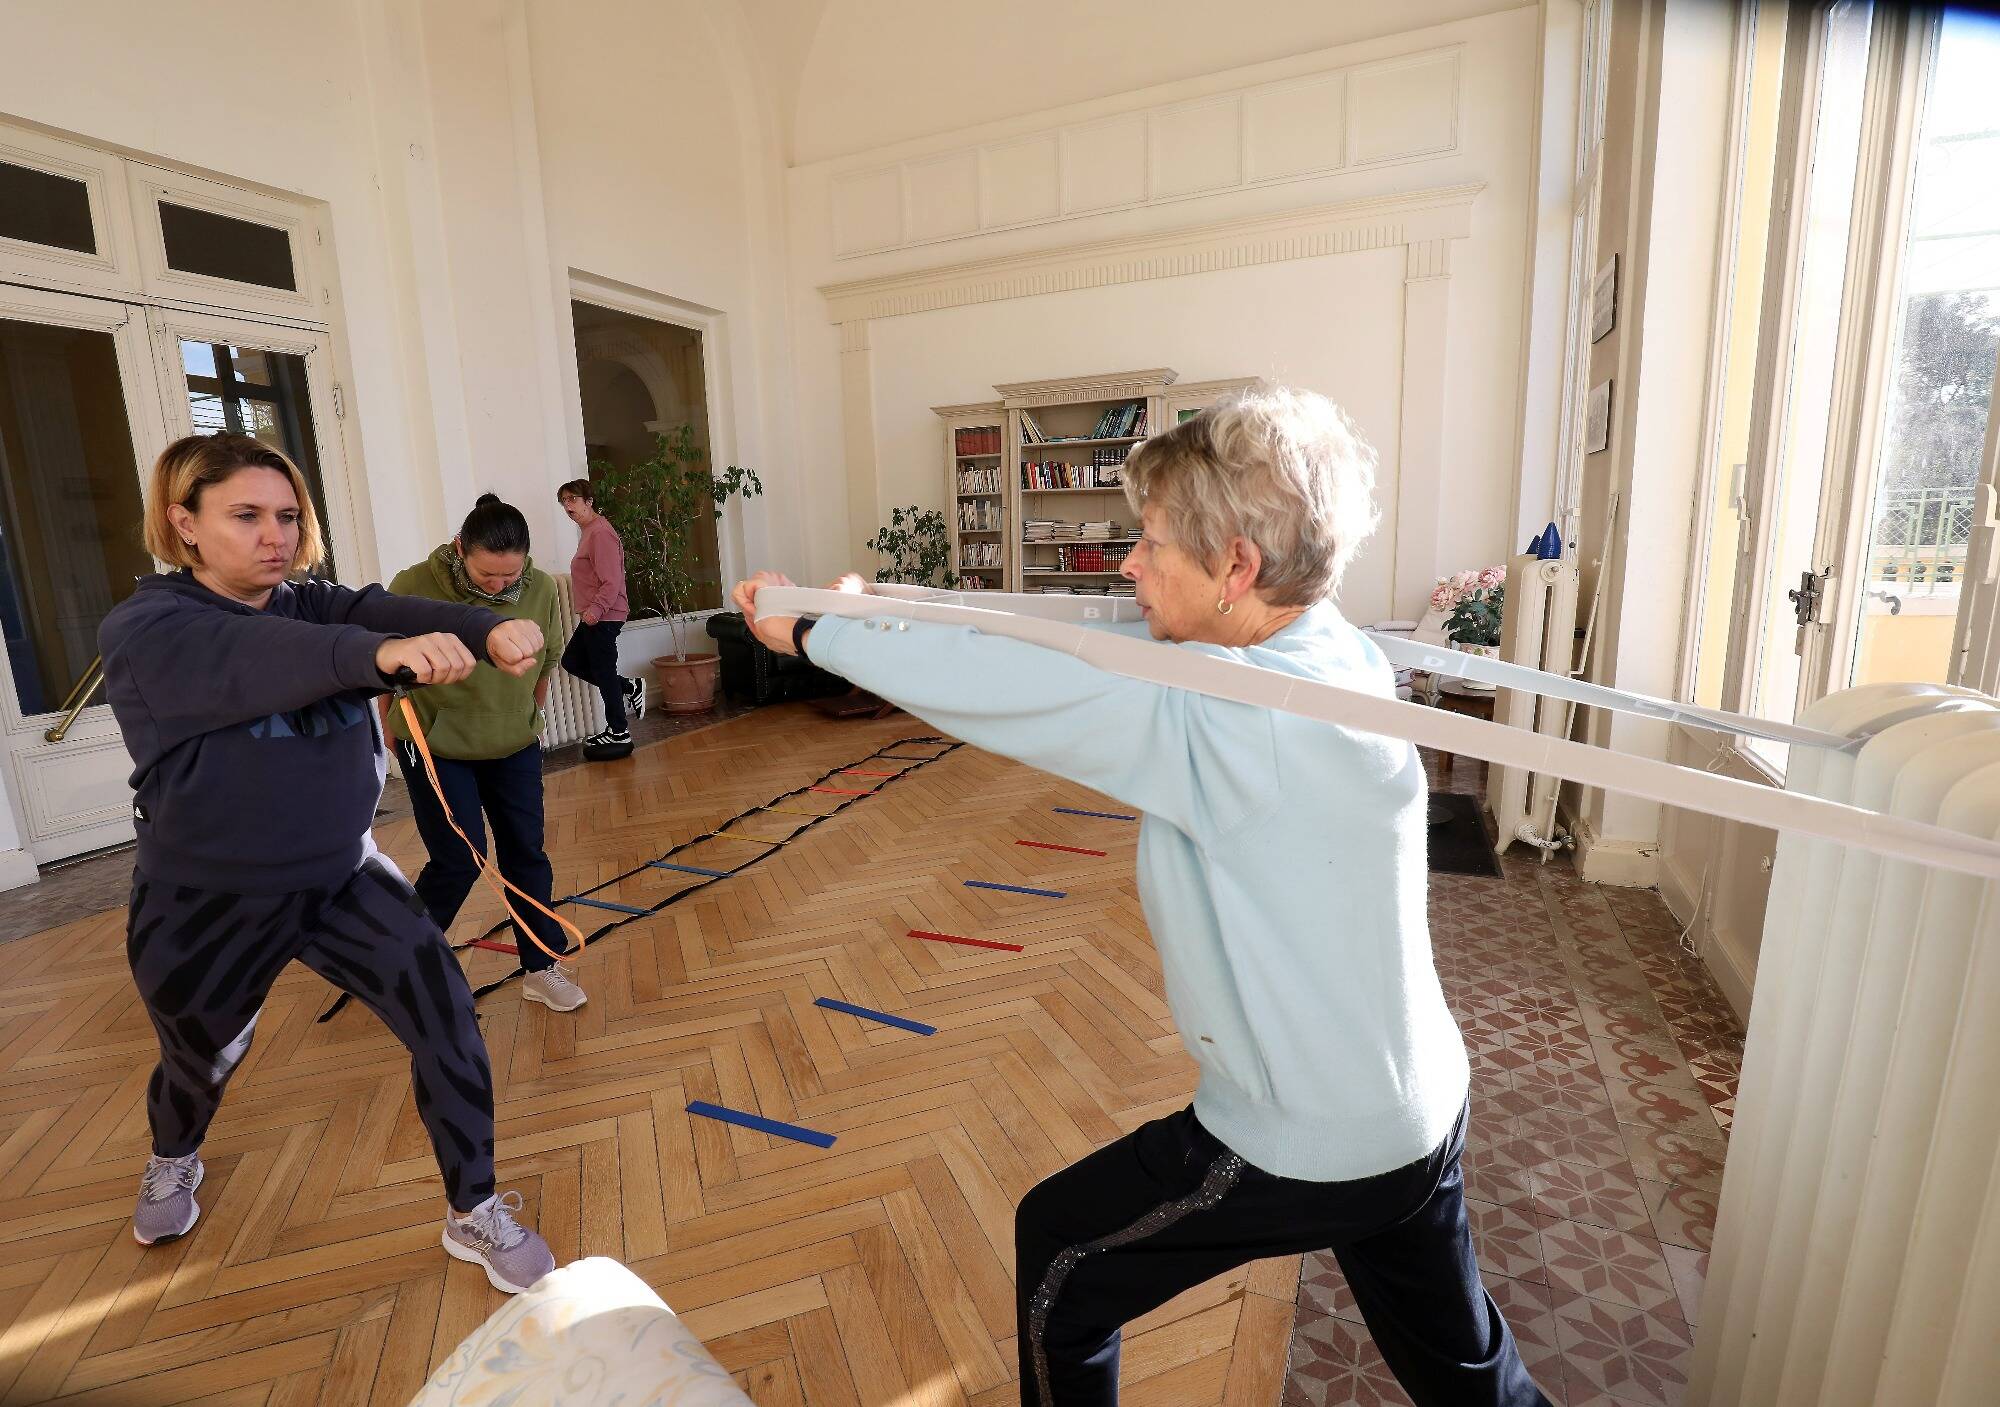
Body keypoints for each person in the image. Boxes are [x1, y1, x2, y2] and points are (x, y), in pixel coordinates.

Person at [733, 388, 1551, 1407]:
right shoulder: (1328, 649)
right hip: (1414, 1108)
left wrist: (815, 631)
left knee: (1059, 1257)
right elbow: (1073, 635)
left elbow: (1019, 691)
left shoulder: (1233, 716)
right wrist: (867, 608)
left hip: (1312, 1134)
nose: (1129, 565)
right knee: (1472, 1382)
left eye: (1152, 542)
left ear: (1237, 569)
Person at [99, 432, 557, 1295]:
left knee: (447, 1017)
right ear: (183, 523)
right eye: (245, 515)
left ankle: (474, 1206)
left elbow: (379, 612)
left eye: (287, 514)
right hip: (206, 896)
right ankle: (173, 1154)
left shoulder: (310, 605)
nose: (275, 534)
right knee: (199, 1058)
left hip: (343, 876)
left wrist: (488, 629)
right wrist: (374, 659)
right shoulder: (148, 628)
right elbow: (270, 662)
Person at [384, 494, 587, 1013]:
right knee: (457, 858)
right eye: (486, 575)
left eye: (508, 576)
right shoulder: (415, 584)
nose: (498, 586)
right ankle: (402, 966)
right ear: (460, 550)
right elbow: (381, 657)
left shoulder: (540, 588)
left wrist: (529, 717)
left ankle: (541, 966)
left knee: (526, 853)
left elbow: (547, 661)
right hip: (436, 743)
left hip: (512, 743)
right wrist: (389, 721)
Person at [556, 478, 644, 758]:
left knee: (604, 670)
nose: (568, 506)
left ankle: (619, 731)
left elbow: (612, 580)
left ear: (589, 501)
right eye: (564, 501)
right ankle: (629, 686)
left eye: (573, 499)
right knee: (572, 661)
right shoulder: (590, 532)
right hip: (597, 614)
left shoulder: (600, 533)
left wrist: (595, 610)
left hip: (603, 614)